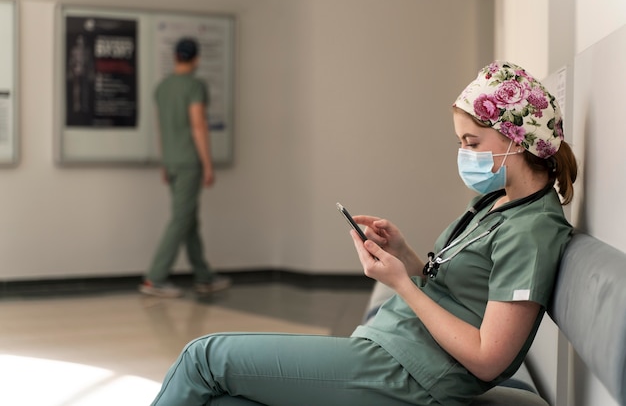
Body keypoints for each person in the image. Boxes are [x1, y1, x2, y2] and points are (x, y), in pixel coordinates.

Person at [149, 61, 578, 405]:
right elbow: (455, 287)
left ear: (516, 140)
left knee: (202, 358)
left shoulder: (533, 232)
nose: (463, 154)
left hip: (412, 375)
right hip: (395, 346)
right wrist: (405, 254)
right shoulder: (496, 202)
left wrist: (400, 285)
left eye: (472, 142)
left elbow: (488, 359)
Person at [139, 38, 231, 298]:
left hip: (172, 161)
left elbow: (161, 128)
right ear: (196, 59)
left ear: (176, 56)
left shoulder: (162, 87)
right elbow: (198, 126)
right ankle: (154, 278)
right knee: (181, 219)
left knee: (188, 219)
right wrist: (208, 164)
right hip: (190, 162)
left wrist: (164, 161)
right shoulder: (195, 86)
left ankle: (203, 276)